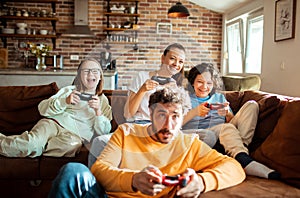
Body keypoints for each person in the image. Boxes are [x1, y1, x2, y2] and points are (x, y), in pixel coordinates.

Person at [48, 87, 246, 198]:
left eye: (175, 116)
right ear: (150, 114)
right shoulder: (127, 132)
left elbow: (235, 167)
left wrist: (202, 182)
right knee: (72, 171)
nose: (168, 124)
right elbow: (99, 170)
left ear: (183, 116)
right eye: (161, 114)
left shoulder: (190, 144)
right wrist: (133, 180)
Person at [88, 43, 190, 167]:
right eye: (173, 58)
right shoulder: (143, 77)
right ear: (163, 58)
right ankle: (94, 184)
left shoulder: (177, 87)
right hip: (138, 125)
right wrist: (142, 90)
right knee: (99, 142)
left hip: (160, 130)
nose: (176, 64)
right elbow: (128, 113)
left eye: (181, 61)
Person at [182, 63, 280, 179]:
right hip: (202, 134)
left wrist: (227, 113)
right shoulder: (184, 98)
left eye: (209, 83)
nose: (204, 86)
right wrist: (195, 112)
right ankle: (243, 159)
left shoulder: (219, 98)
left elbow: (234, 123)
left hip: (225, 134)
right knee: (224, 128)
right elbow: (175, 124)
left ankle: (241, 152)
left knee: (252, 105)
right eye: (200, 81)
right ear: (193, 82)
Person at [0, 58, 112, 157]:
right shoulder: (69, 91)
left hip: (74, 136)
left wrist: (98, 112)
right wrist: (65, 101)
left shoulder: (102, 100)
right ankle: (31, 146)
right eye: (86, 71)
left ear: (100, 76)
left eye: (95, 71)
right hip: (52, 124)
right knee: (31, 144)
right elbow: (42, 109)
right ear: (79, 75)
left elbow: (104, 132)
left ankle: (37, 148)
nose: (90, 74)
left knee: (71, 146)